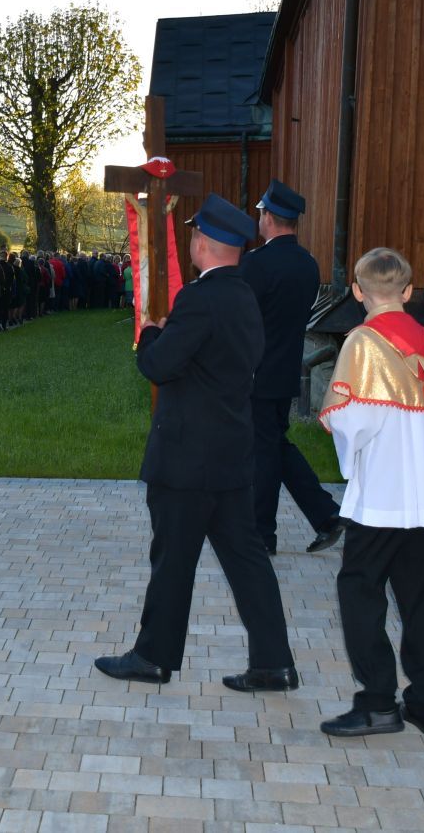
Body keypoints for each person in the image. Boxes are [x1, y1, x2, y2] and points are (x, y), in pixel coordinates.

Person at [94, 194, 297, 693]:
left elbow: (158, 366)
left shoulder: (199, 299)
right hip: (231, 454)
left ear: (202, 243)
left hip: (187, 459)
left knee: (173, 562)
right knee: (248, 562)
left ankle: (153, 657)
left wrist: (151, 333)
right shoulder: (244, 296)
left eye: (193, 235)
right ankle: (274, 663)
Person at [317, 247, 424, 738]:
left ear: (357, 291)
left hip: (384, 496)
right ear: (408, 291)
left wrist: (342, 436)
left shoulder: (363, 341)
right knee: (420, 602)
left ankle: (378, 701)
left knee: (359, 591)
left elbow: (352, 420)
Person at [237, 180, 345, 555]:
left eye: (261, 214)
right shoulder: (307, 263)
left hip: (256, 372)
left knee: (263, 454)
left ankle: (262, 534)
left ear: (268, 217)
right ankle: (326, 515)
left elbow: (242, 318)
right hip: (286, 371)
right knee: (274, 445)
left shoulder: (256, 264)